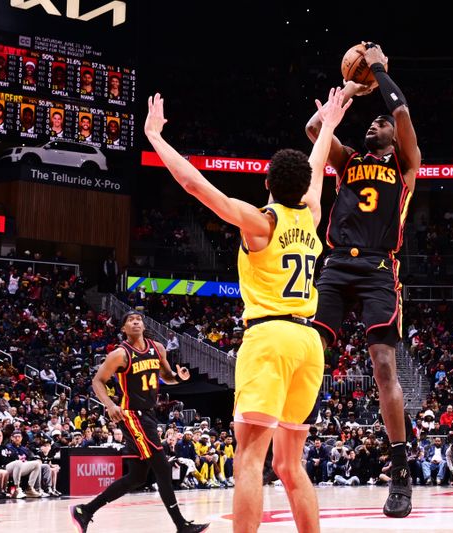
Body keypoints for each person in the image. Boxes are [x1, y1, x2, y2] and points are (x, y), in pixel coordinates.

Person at [144, 87, 350, 533]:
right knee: (292, 466)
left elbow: (195, 185)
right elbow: (315, 170)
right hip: (309, 341)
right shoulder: (311, 215)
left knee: (250, 460)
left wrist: (156, 138)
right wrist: (329, 125)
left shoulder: (262, 223)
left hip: (270, 337)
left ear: (267, 185)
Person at [304, 41, 421, 518]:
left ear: (392, 137)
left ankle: (400, 471)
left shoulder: (405, 164)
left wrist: (376, 69)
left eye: (380, 122)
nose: (375, 122)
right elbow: (314, 129)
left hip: (377, 266)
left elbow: (402, 110)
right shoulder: (347, 159)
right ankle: (291, 446)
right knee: (312, 353)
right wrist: (348, 91)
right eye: (371, 121)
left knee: (383, 366)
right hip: (335, 264)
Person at [69, 310, 208, 533]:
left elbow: (166, 376)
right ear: (123, 328)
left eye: (139, 319)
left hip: (149, 414)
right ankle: (181, 525)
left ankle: (85, 511)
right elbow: (98, 381)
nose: (135, 322)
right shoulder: (120, 354)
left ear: (143, 325)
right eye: (130, 321)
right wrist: (110, 404)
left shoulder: (158, 348)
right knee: (162, 467)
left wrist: (178, 377)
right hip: (132, 415)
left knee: (137, 476)